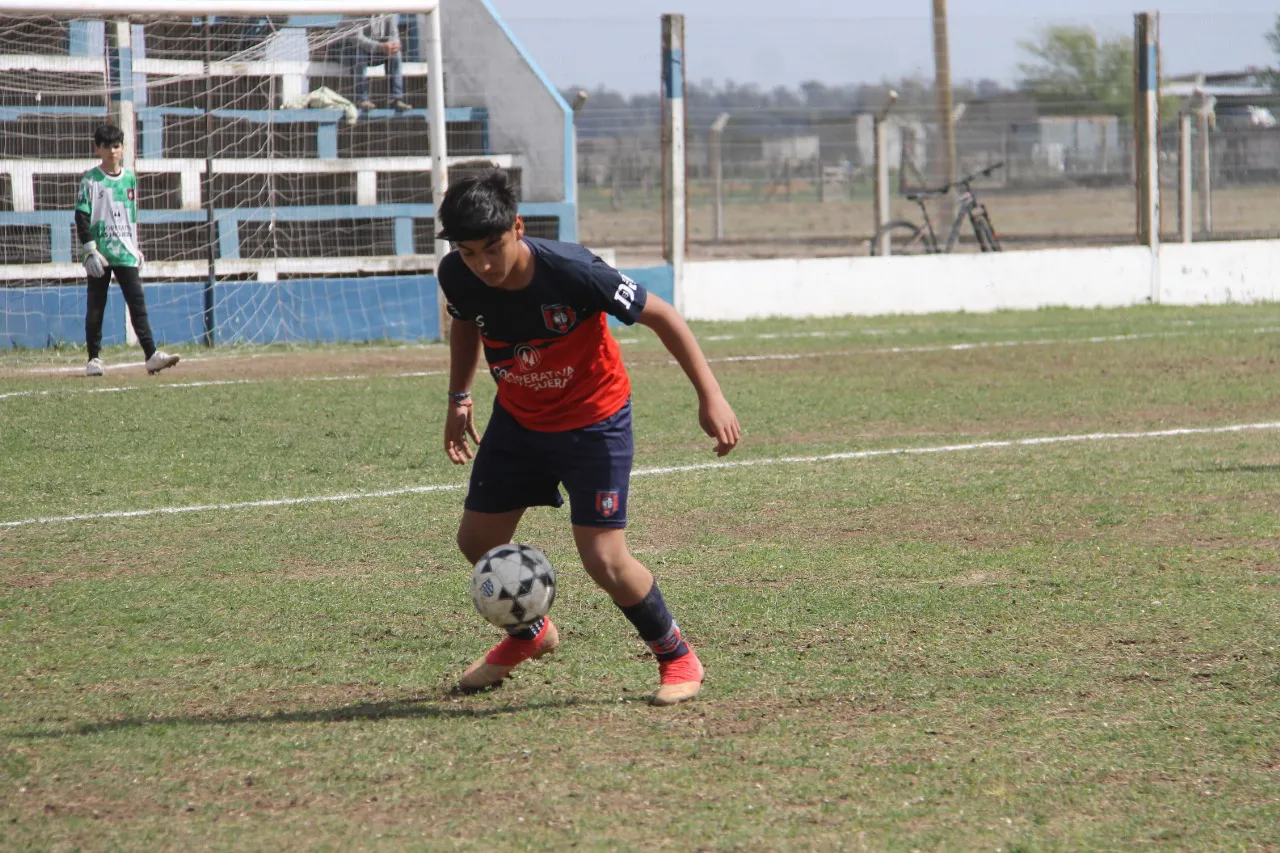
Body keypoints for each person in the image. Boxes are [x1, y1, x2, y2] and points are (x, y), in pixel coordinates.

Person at [437, 168, 741, 706]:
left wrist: (710, 395)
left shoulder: (574, 271)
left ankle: (677, 656)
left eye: (492, 248)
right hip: (519, 421)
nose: (482, 265)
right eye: (468, 253)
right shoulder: (457, 275)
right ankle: (530, 633)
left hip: (593, 422)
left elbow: (663, 316)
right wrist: (460, 396)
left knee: (604, 559)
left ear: (517, 227)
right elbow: (465, 324)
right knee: (476, 542)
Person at [75, 124, 179, 377]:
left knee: (137, 303)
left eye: (116, 146)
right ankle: (93, 358)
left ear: (122, 148)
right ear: (97, 148)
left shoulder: (130, 178)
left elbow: (130, 216)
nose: (112, 151)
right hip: (100, 254)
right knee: (96, 306)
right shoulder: (90, 180)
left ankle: (151, 355)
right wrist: (90, 249)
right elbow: (81, 217)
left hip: (124, 253)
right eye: (106, 146)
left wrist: (135, 246)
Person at [341, 14, 411, 113]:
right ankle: (361, 99)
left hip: (373, 51)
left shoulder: (387, 13)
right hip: (346, 52)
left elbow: (394, 35)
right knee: (358, 53)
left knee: (395, 54)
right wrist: (382, 47)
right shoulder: (354, 11)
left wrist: (393, 46)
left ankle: (396, 99)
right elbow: (357, 39)